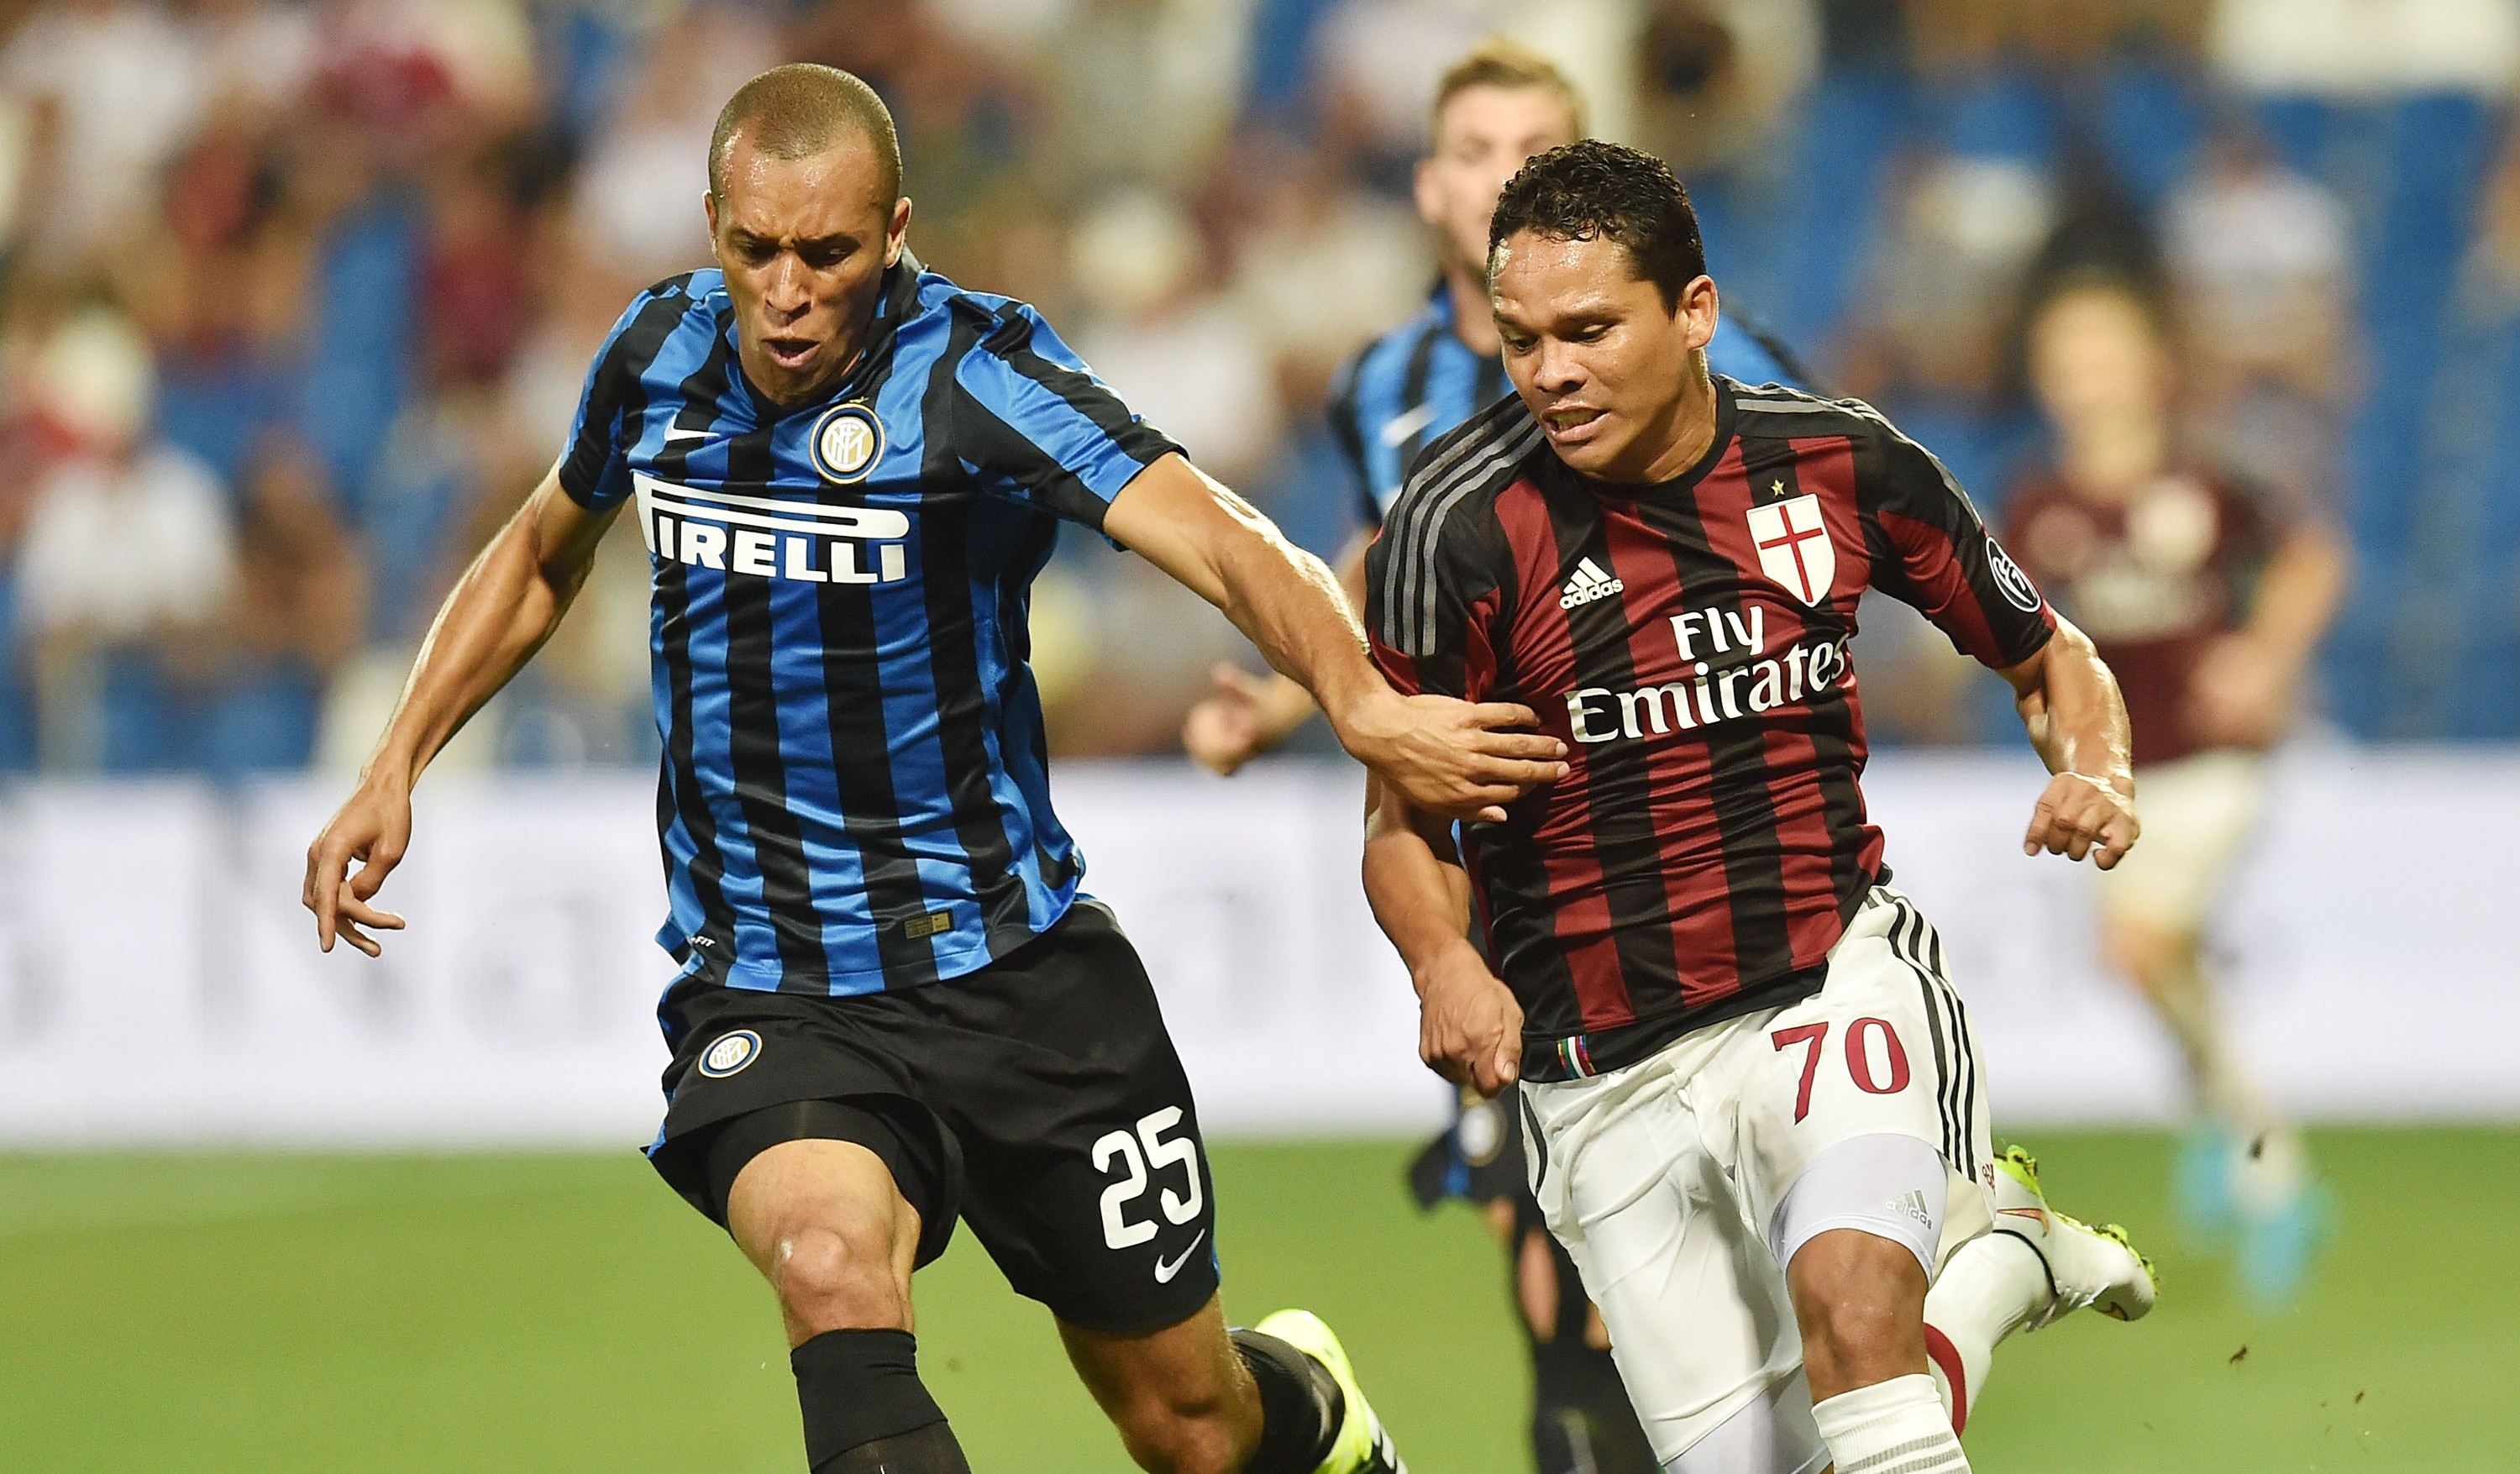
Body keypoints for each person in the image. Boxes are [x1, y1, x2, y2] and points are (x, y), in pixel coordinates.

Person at [302, 64, 1572, 1474]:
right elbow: (546, 546)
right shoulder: (656, 354)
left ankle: (1323, 1424)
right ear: (711, 221)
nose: (786, 291)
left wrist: (1358, 700)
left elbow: (1219, 534)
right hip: (776, 981)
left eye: (828, 253)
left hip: (1019, 979)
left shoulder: (976, 376)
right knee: (833, 1268)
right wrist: (397, 756)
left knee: (1193, 1428)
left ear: (895, 230)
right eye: (755, 250)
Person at [1360, 139, 2159, 1474]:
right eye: (1520, 340)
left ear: (1695, 312)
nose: (1550, 372)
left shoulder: (1839, 467)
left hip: (1823, 980)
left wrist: (2096, 766)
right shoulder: (1456, 524)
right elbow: (1401, 821)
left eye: (1589, 330)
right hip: (1597, 1067)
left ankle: (1958, 1276)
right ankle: (2001, 1264)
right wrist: (1444, 961)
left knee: (1858, 1333)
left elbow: (2047, 651)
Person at [1183, 41, 1801, 1474]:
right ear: (1428, 184)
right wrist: (1294, 699)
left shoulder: (1714, 350)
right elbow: (1390, 559)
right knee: (1567, 1261)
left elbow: (1808, 511)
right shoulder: (1385, 379)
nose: (1501, 174)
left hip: (1691, 853)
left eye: (1536, 146)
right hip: (1506, 874)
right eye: (1474, 147)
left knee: (1712, 1264)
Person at [2003, 273, 2348, 1305]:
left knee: (2137, 948)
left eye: (2104, 352)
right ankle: (2231, 1129)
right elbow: (2022, 645)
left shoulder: (2209, 480)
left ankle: (2275, 1169)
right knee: (2160, 968)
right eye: (2067, 358)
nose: (2086, 377)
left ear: (2154, 366)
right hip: (2117, 778)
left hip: (2211, 768)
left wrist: (2266, 659)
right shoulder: (2037, 505)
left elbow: (2312, 559)